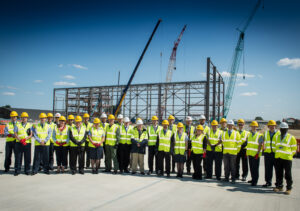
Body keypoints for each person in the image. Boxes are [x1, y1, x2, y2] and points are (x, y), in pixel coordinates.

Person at [273, 122, 297, 195]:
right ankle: (279, 186)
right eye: (282, 129)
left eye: (284, 129)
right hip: (278, 157)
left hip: (287, 159)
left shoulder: (291, 137)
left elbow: (294, 149)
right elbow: (274, 147)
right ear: (280, 129)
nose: (283, 130)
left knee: (287, 174)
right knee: (278, 173)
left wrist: (289, 155)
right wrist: (277, 153)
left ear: (287, 129)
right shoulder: (276, 137)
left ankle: (289, 188)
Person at [222, 120, 241, 184]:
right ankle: (226, 178)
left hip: (233, 153)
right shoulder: (224, 133)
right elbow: (223, 142)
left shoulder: (236, 133)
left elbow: (239, 143)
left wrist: (237, 151)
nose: (230, 126)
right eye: (229, 125)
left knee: (233, 167)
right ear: (227, 126)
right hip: (226, 152)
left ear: (233, 126)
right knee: (226, 166)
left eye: (231, 125)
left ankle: (233, 179)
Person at [262, 120, 280, 187]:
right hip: (268, 154)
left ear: (275, 126)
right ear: (268, 126)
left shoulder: (279, 134)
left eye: (273, 125)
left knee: (278, 169)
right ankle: (268, 182)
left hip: (276, 154)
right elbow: (261, 140)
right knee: (268, 169)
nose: (272, 127)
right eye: (270, 125)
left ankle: (278, 183)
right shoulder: (266, 133)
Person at [246, 121, 263, 186]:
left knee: (255, 168)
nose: (253, 127)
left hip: (256, 154)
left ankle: (255, 181)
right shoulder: (249, 135)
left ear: (257, 127)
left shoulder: (260, 135)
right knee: (251, 167)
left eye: (255, 126)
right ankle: (253, 178)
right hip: (250, 154)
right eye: (252, 126)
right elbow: (248, 144)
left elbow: (260, 145)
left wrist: (257, 153)